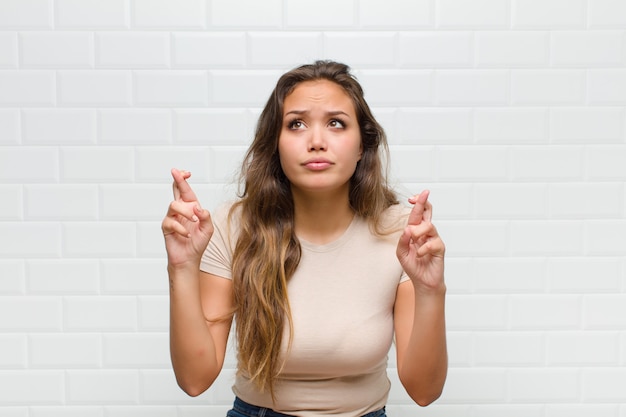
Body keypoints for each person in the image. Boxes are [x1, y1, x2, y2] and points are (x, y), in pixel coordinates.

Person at [161, 60, 447, 417]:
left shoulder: (402, 234)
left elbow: (424, 391)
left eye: (336, 123)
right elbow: (194, 379)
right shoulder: (233, 225)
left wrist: (430, 290)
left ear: (362, 146)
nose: (316, 141)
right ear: (275, 145)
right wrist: (182, 267)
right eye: (296, 124)